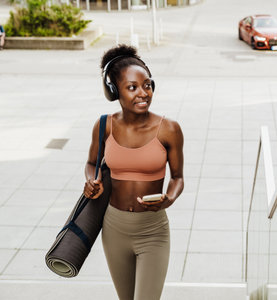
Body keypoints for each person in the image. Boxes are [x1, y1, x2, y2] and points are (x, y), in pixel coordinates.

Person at [83, 44, 184, 300]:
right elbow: (92, 163)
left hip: (152, 231)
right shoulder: (103, 125)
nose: (143, 93)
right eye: (132, 87)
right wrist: (92, 180)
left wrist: (169, 198)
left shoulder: (169, 129)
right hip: (114, 228)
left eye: (148, 85)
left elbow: (178, 177)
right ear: (114, 91)